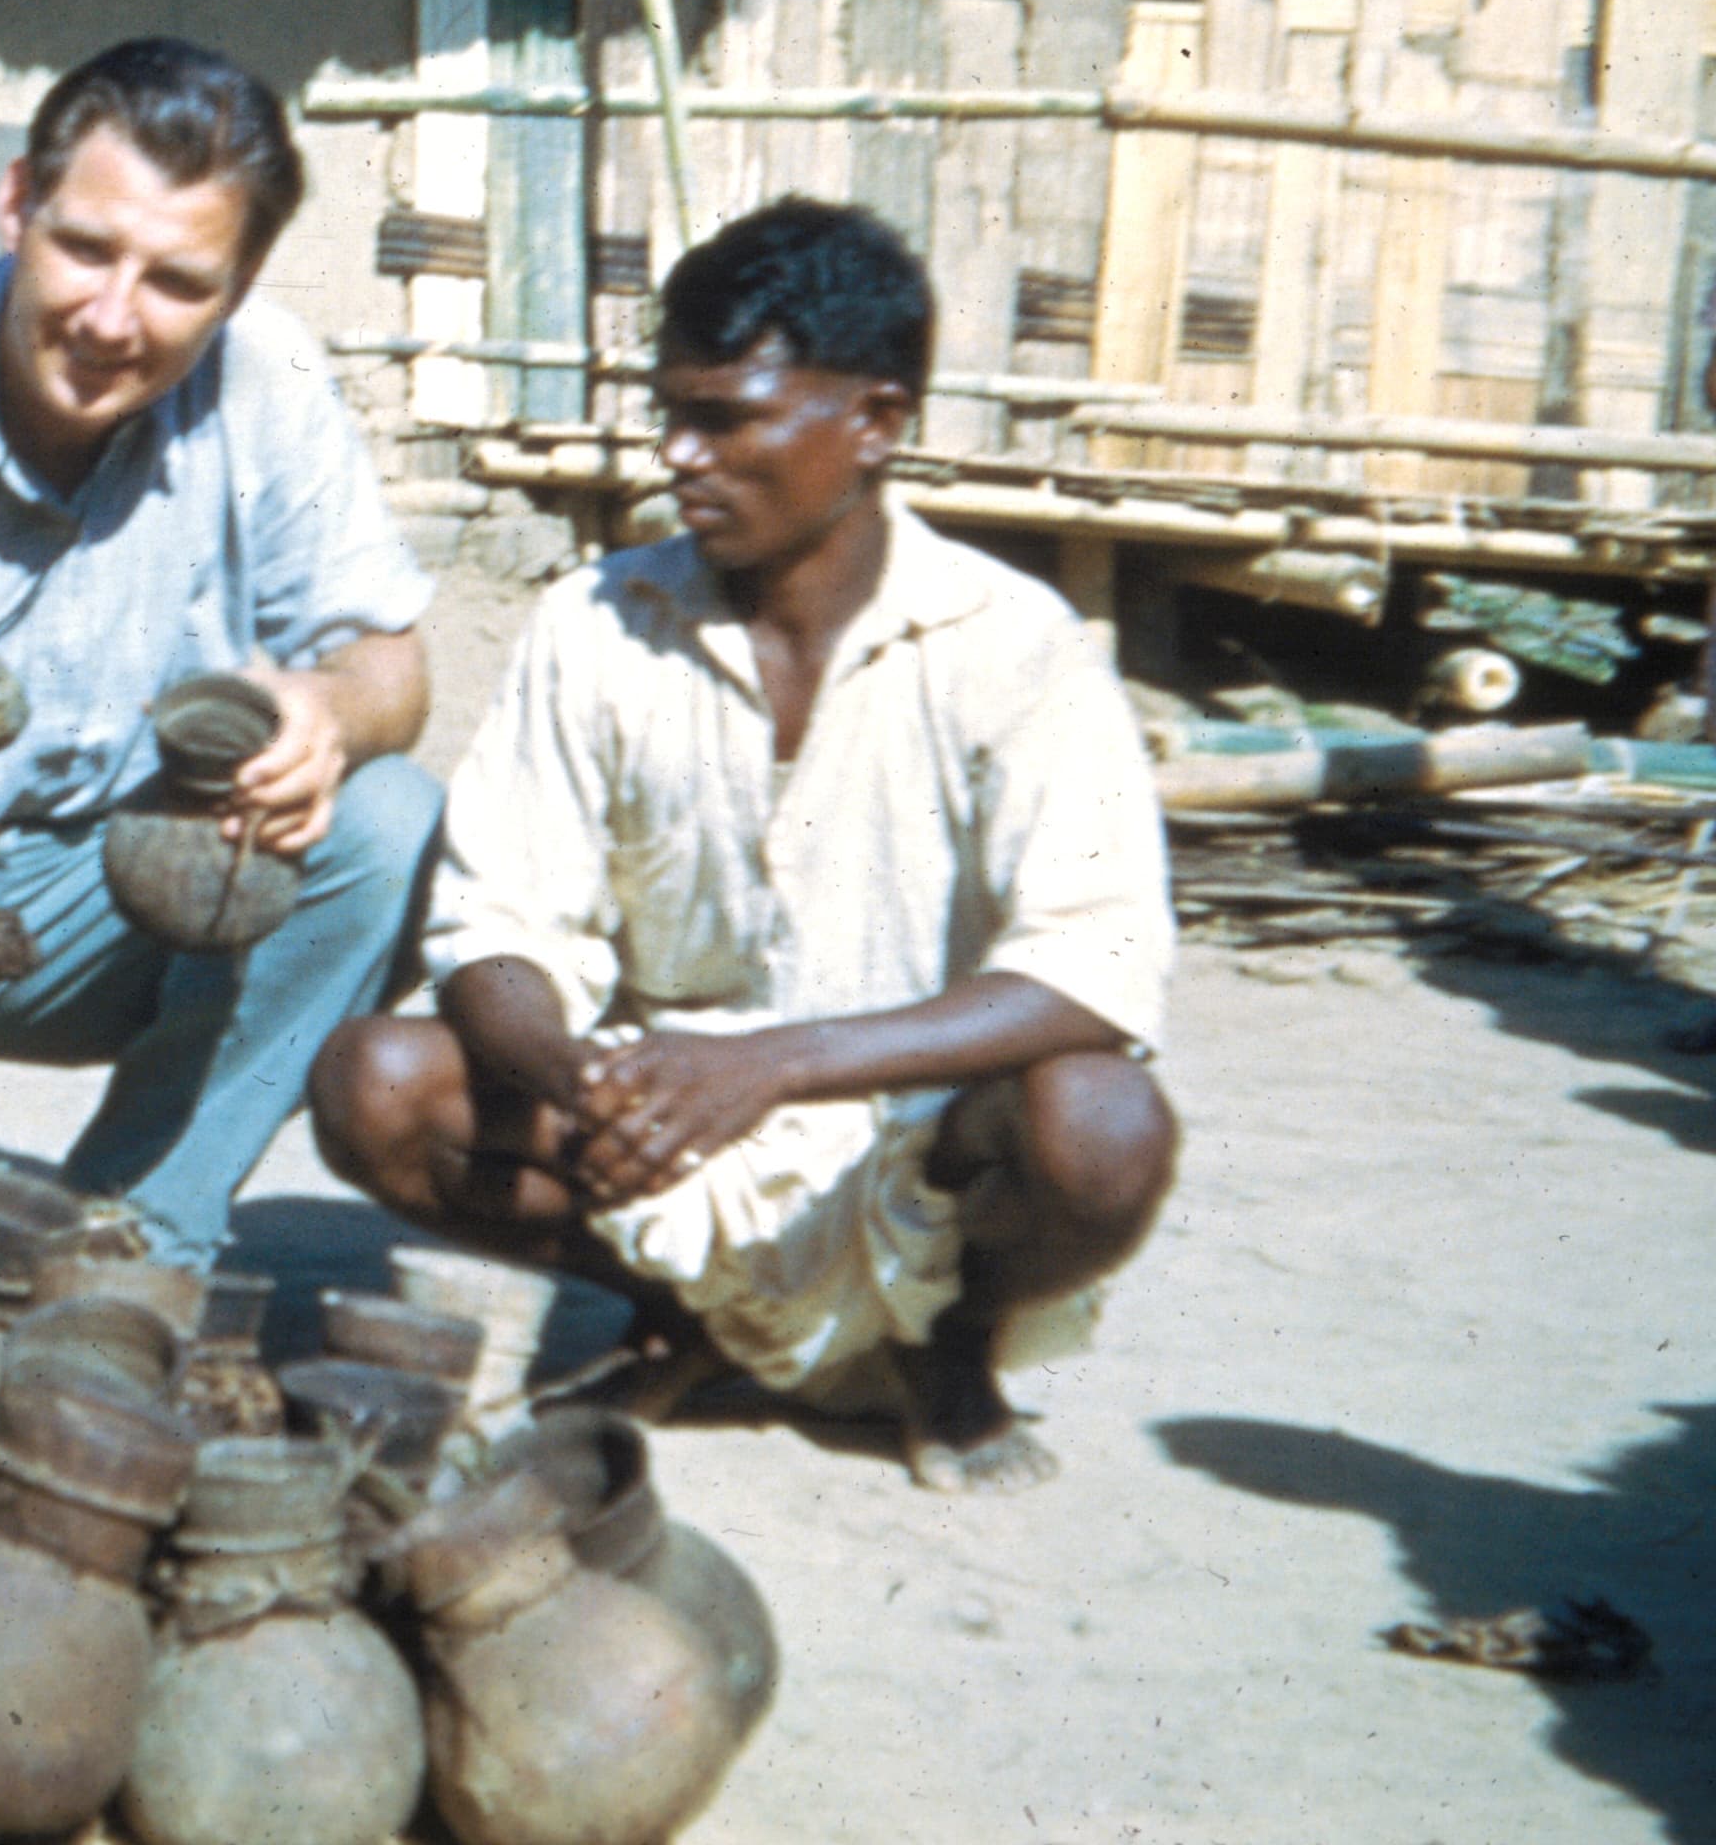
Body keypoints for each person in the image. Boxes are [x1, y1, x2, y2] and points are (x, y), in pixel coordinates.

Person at [307, 199, 1180, 1493]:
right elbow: (492, 929)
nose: (677, 452)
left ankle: (947, 1349)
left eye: (727, 418)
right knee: (377, 1080)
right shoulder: (595, 625)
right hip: (659, 1113)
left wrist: (776, 1067)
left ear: (875, 423)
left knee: (1102, 1123)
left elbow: (1093, 964)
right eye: (671, 410)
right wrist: (573, 1077)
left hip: (913, 1129)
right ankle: (688, 1318)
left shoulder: (1016, 644)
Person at [0, 36, 440, 1320]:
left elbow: (390, 656)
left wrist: (328, 716)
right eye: (85, 251)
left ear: (243, 280)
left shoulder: (269, 385)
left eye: (177, 281)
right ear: (15, 206)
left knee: (386, 824)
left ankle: (130, 1224)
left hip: (117, 901)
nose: (115, 320)